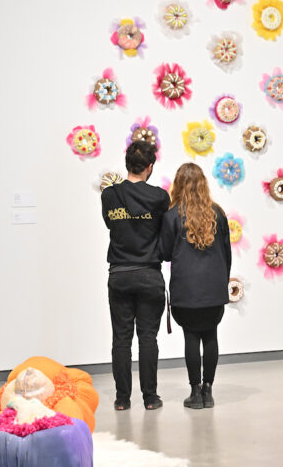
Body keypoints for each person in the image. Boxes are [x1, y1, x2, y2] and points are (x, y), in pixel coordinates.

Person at [101, 141, 170, 411]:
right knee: (148, 338)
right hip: (149, 275)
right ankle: (150, 398)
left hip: (119, 274)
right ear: (150, 167)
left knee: (121, 338)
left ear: (127, 163)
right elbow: (164, 233)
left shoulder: (109, 195)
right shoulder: (160, 197)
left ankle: (121, 399)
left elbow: (111, 225)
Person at [160, 163, 231, 409]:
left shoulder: (171, 216)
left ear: (178, 185)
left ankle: (194, 392)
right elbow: (227, 254)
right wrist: (222, 284)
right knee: (211, 335)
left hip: (186, 289)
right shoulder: (218, 214)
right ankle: (208, 391)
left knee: (191, 337)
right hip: (214, 288)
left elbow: (165, 253)